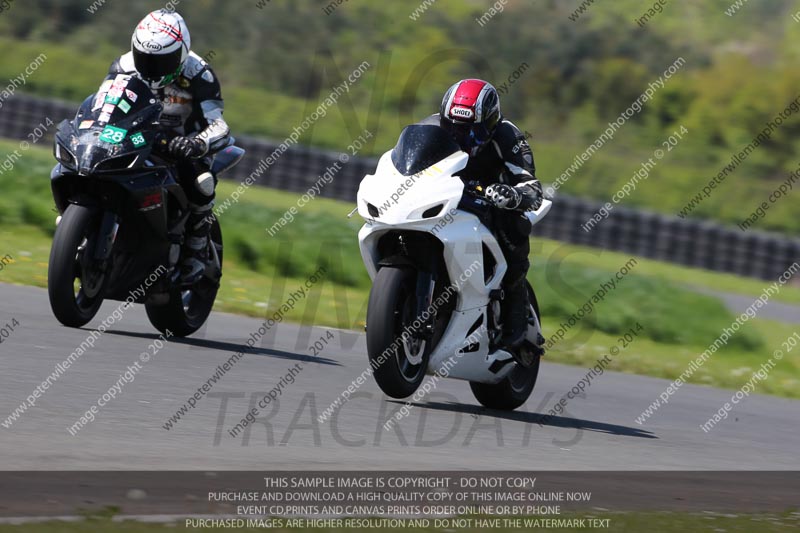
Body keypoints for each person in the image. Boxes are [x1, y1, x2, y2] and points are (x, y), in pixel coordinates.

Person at [108, 9, 231, 283]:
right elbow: (104, 106)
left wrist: (196, 143)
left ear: (181, 54)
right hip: (137, 139)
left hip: (182, 146)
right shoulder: (123, 66)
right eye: (146, 58)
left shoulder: (199, 75)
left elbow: (219, 125)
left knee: (201, 181)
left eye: (161, 61)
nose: (151, 67)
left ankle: (196, 248)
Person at [423, 79, 543, 348]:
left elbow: (533, 187)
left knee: (513, 226)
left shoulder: (508, 136)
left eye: (470, 131)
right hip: (446, 196)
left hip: (489, 204)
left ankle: (516, 317)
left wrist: (511, 195)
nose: (460, 137)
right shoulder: (429, 127)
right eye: (452, 127)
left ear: (489, 123)